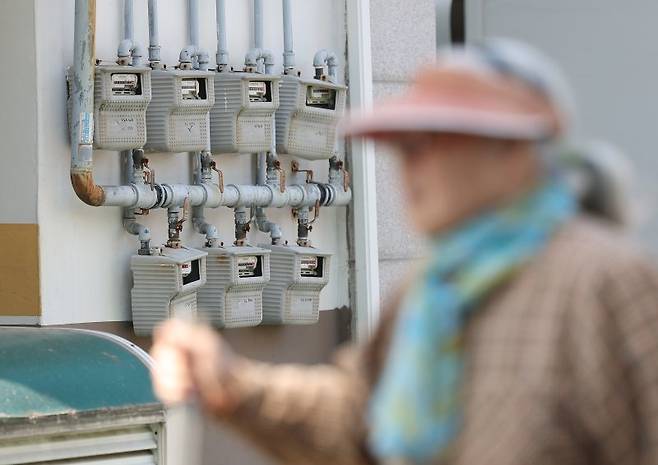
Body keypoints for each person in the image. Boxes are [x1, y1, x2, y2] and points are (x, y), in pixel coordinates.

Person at [151, 39, 658, 465]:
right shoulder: (436, 285)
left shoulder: (602, 281)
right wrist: (231, 383)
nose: (410, 167)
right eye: (403, 147)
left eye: (432, 143)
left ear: (514, 151)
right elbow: (360, 417)